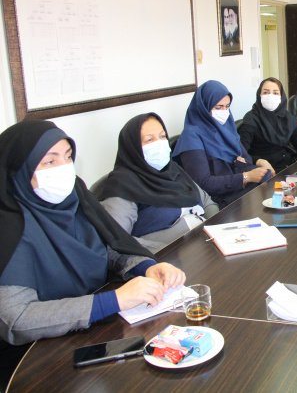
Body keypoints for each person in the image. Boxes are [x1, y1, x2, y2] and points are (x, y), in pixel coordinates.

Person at [0, 121, 185, 385]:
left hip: (93, 333)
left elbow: (108, 246)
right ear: (18, 171)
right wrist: (112, 301)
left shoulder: (74, 196)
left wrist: (146, 267)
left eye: (67, 157)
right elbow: (17, 319)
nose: (64, 169)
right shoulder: (8, 226)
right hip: (36, 361)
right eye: (50, 162)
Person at [94, 113, 219, 254]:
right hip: (166, 258)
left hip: (204, 245)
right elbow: (119, 241)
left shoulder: (173, 169)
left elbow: (207, 202)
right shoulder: (123, 185)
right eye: (149, 140)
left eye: (162, 136)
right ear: (133, 147)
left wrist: (217, 228)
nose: (159, 143)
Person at [173, 80, 273, 208]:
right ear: (203, 107)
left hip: (237, 189)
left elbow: (246, 159)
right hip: (219, 198)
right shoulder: (191, 137)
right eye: (218, 107)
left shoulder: (226, 128)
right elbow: (204, 183)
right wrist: (245, 177)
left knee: (270, 183)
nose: (224, 112)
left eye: (227, 107)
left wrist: (250, 166)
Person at [239, 78, 297, 174]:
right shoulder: (251, 118)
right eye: (266, 93)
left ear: (281, 96)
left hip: (287, 167)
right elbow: (241, 154)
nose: (270, 96)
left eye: (275, 93)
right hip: (263, 171)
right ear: (259, 95)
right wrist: (258, 161)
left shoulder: (287, 118)